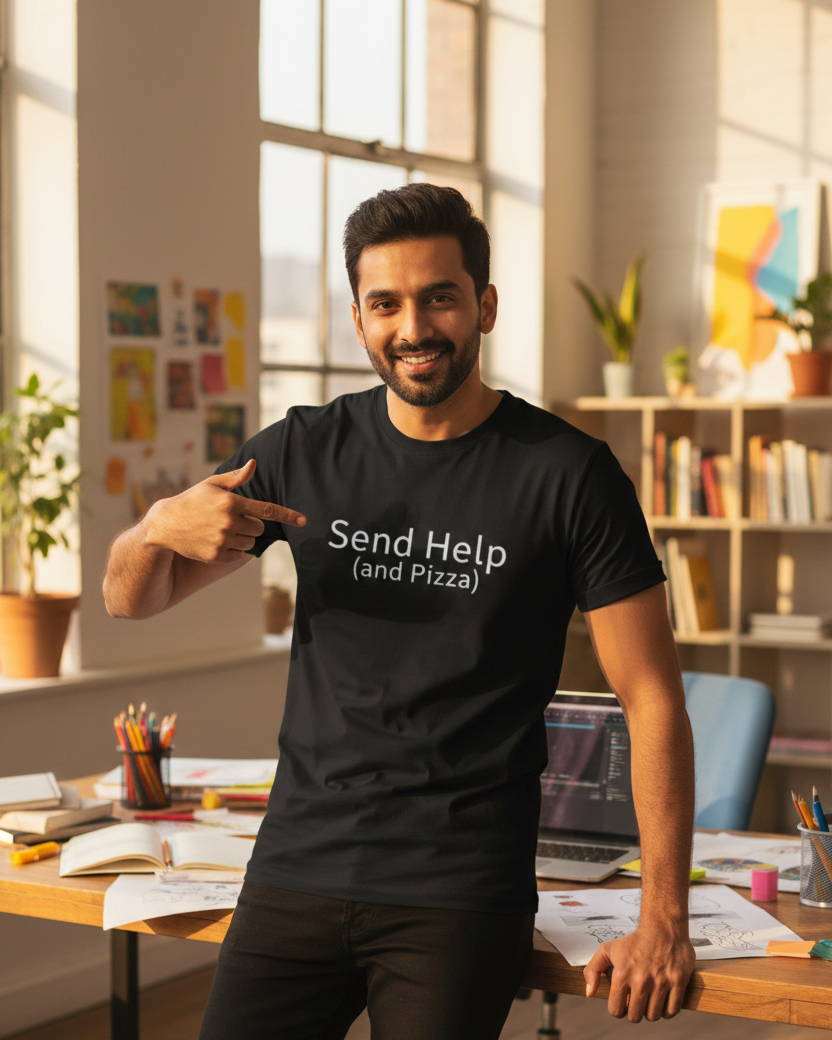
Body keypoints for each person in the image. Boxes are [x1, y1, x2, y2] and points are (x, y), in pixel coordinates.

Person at [103, 184, 695, 1040]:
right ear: (358, 318)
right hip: (296, 869)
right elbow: (130, 601)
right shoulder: (300, 452)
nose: (412, 327)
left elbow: (652, 699)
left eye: (438, 297)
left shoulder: (569, 475)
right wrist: (158, 526)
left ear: (484, 306)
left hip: (457, 892)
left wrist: (662, 919)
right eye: (386, 304)